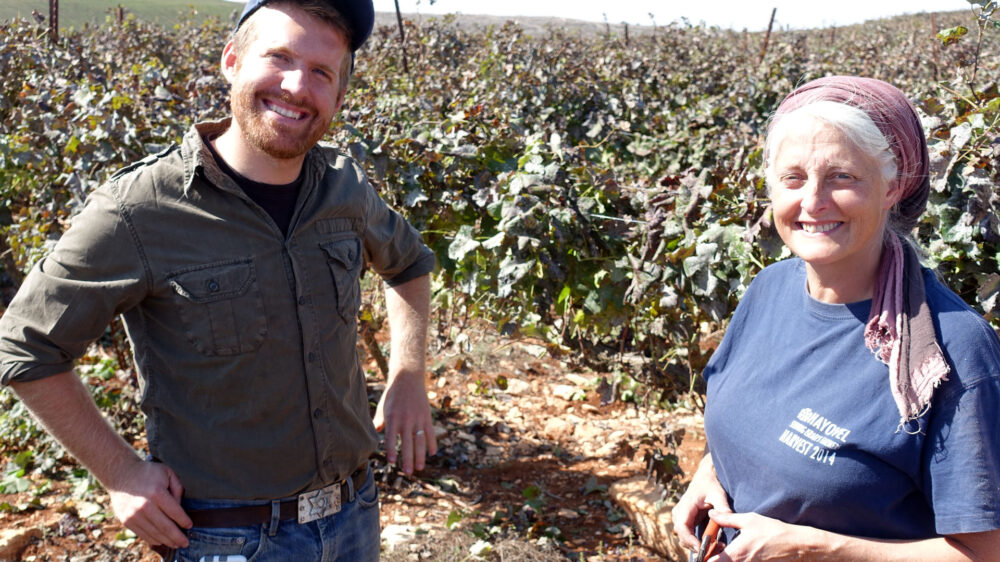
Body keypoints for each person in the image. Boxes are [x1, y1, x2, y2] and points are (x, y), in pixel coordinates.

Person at [0, 1, 438, 560]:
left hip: (355, 516)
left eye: (322, 72)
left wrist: (407, 374)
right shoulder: (141, 210)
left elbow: (409, 264)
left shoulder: (343, 188)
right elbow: (24, 345)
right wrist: (121, 473)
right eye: (279, 57)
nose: (297, 86)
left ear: (339, 96)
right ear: (231, 60)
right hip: (227, 538)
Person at [671, 76, 1000, 560]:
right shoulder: (769, 290)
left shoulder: (951, 352)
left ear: (894, 186)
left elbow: (985, 552)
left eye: (842, 177)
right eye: (793, 178)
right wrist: (710, 473)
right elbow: (755, 417)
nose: (812, 202)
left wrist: (817, 549)